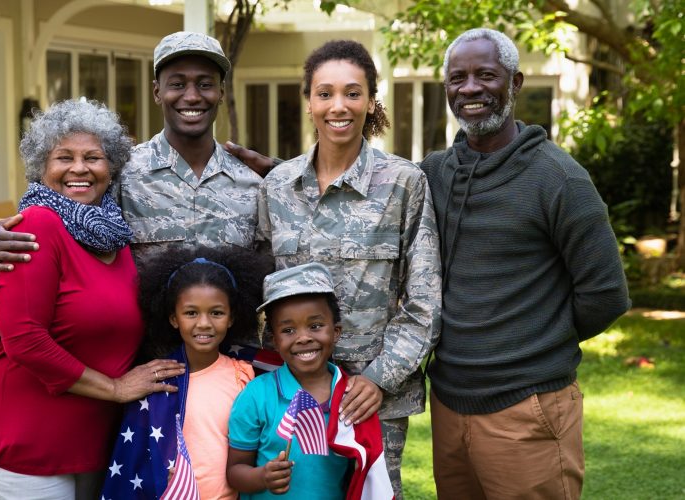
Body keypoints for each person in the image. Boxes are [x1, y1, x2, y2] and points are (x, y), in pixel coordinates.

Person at [423, 29, 631, 499]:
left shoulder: (559, 179)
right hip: (449, 404)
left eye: (486, 75)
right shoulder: (434, 172)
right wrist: (285, 172)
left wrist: (533, 340)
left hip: (528, 406)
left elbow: (606, 295)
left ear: (515, 84)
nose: (470, 88)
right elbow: (373, 197)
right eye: (458, 78)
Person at [0, 99, 185, 499]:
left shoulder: (116, 237)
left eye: (93, 157)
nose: (79, 168)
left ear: (110, 168)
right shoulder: (38, 225)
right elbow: (24, 338)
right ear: (42, 168)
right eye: (64, 157)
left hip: (88, 445)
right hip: (17, 442)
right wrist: (114, 389)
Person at [254, 40, 442, 497]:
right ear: (309, 102)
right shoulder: (278, 186)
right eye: (325, 93)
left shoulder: (403, 183)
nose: (338, 106)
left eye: (353, 93)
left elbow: (425, 298)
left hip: (370, 397)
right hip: (288, 392)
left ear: (371, 101)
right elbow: (256, 285)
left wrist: (379, 378)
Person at [0, 31, 263, 272]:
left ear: (221, 92)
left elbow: (277, 268)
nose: (191, 96)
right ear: (156, 92)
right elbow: (53, 219)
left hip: (236, 341)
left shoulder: (253, 182)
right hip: (146, 340)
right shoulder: (119, 171)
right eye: (177, 84)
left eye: (205, 84)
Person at [100, 246, 273, 499]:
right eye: (191, 313)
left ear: (232, 317)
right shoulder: (155, 381)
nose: (204, 323)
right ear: (173, 318)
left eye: (216, 312)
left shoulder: (244, 374)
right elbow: (138, 458)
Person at [227, 262, 393, 500]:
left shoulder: (351, 397)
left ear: (335, 331)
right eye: (288, 330)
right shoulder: (256, 395)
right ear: (274, 340)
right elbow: (234, 471)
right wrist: (262, 477)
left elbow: (362, 476)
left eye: (315, 326)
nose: (303, 338)